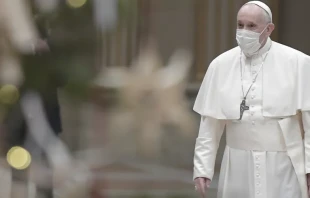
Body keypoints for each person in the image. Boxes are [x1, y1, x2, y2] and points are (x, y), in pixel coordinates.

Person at [193, 1, 310, 198]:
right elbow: (209, 125)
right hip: (237, 167)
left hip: (283, 167)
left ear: (269, 29)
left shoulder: (298, 63)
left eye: (251, 26)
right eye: (240, 25)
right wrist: (202, 169)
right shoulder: (220, 65)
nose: (244, 31)